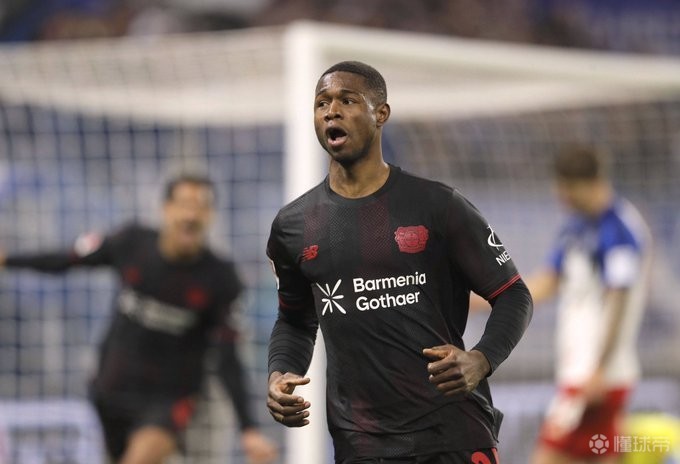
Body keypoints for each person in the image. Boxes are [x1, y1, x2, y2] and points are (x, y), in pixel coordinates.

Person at [265, 60, 533, 463]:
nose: (331, 111)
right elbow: (294, 320)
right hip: (360, 444)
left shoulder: (438, 205)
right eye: (322, 103)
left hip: (452, 434)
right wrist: (279, 373)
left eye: (347, 100)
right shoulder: (294, 226)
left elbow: (513, 294)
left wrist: (481, 359)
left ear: (381, 114)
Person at [0, 174, 278, 464]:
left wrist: (248, 429)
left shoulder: (220, 278)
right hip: (112, 390)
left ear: (211, 215)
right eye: (184, 204)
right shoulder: (131, 243)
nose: (191, 215)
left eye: (201, 206)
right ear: (166, 209)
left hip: (169, 399)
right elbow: (68, 259)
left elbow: (228, 356)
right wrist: (8, 260)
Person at [526, 146, 652, 464]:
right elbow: (548, 281)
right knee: (600, 456)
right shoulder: (575, 228)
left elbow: (620, 300)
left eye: (568, 187)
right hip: (581, 372)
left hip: (596, 376)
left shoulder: (619, 230)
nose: (561, 195)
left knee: (547, 457)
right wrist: (488, 296)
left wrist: (600, 368)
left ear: (593, 183)